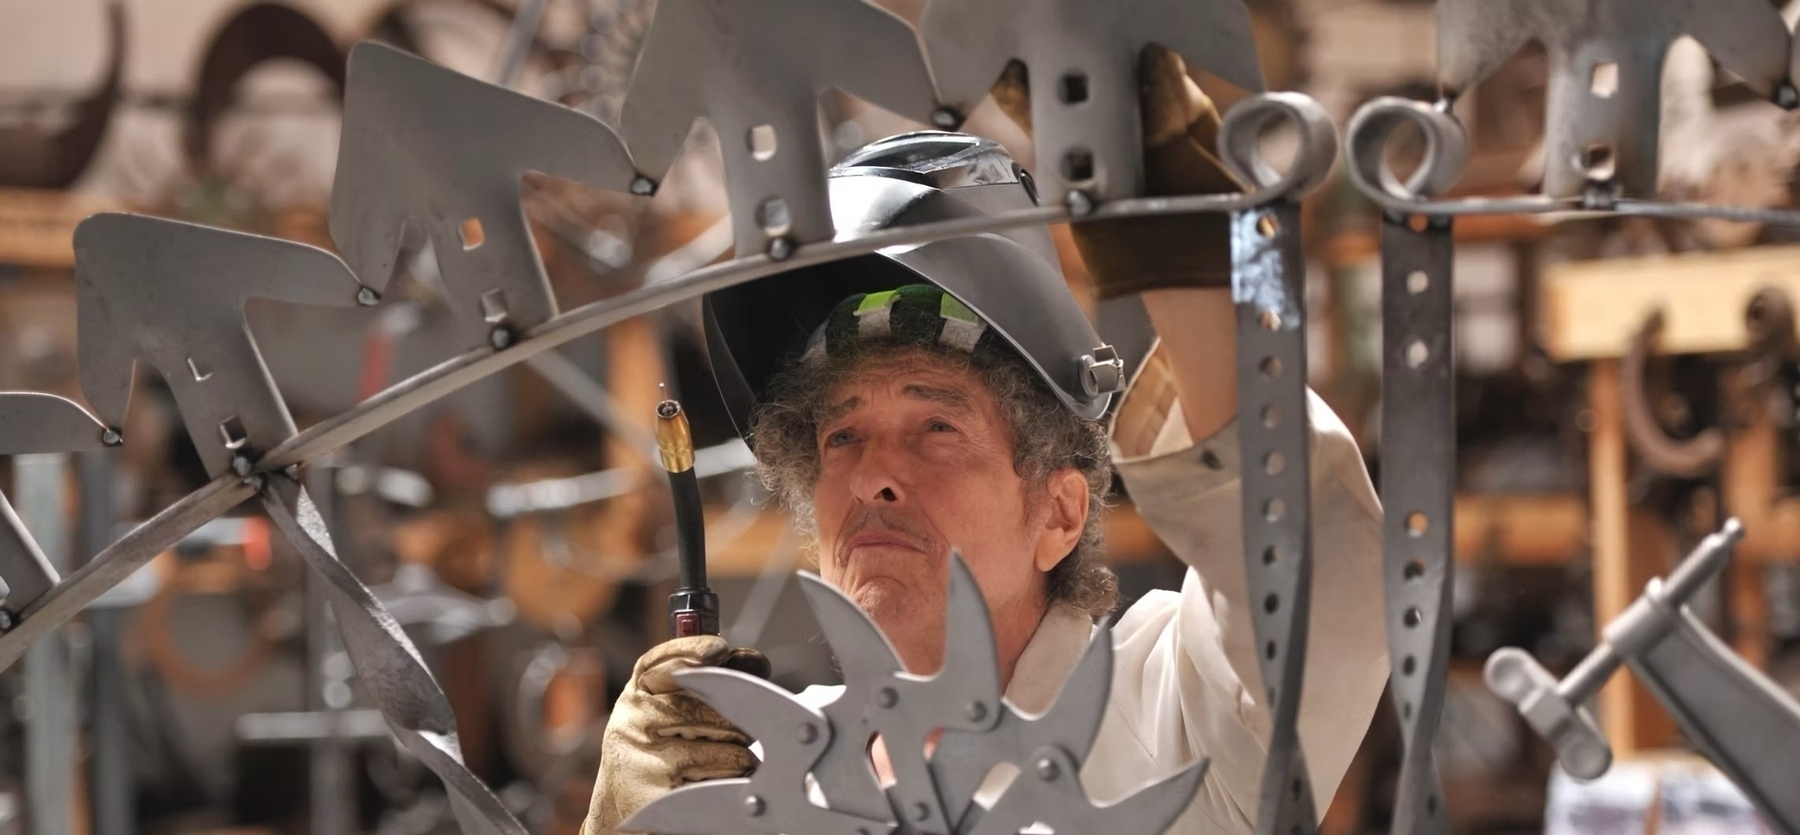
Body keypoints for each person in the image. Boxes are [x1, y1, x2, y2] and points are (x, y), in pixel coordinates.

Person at [583, 48, 1387, 835]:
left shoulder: (1166, 716)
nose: (872, 479)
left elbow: (1306, 565)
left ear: (1061, 513)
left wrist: (1166, 217)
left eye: (936, 426)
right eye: (842, 436)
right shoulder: (761, 770)